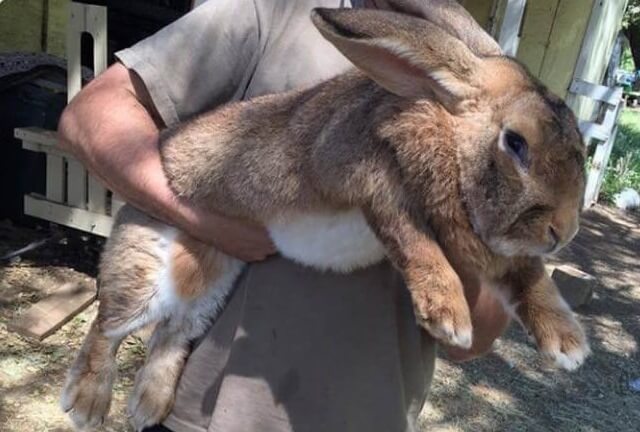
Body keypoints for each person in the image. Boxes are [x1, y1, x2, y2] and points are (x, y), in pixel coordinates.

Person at [58, 0, 509, 431]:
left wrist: (454, 245)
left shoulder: (495, 84)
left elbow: (480, 333)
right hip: (210, 415)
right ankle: (157, 351)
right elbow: (93, 115)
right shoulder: (273, 11)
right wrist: (214, 227)